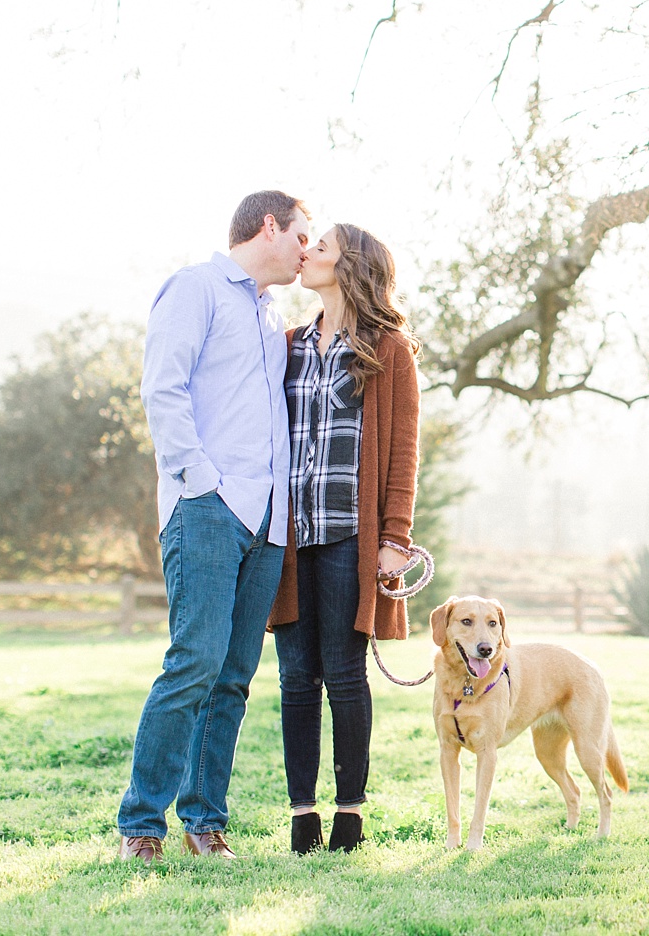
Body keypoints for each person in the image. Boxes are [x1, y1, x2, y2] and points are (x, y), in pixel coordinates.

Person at [116, 191, 309, 863]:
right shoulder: (195, 287)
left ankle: (205, 823)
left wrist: (276, 513)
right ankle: (142, 824)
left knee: (232, 676)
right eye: (300, 236)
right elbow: (161, 389)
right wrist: (199, 481)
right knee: (194, 660)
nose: (306, 249)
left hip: (266, 521)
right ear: (267, 227)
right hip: (205, 509)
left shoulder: (270, 314)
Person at [266, 222, 421, 854]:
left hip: (351, 536)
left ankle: (349, 815)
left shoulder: (388, 348)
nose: (307, 253)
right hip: (293, 537)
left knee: (344, 674)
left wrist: (395, 538)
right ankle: (303, 815)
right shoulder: (290, 344)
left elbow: (404, 450)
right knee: (294, 677)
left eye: (320, 247)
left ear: (350, 265)